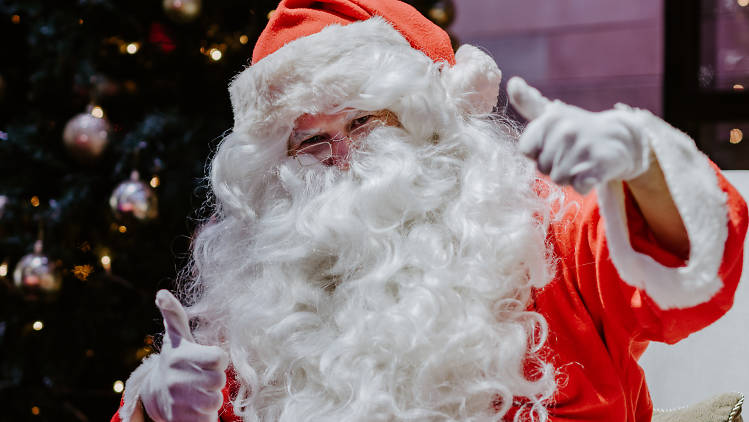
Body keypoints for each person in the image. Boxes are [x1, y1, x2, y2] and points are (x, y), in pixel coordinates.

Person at [112, 0, 748, 421]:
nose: (339, 155)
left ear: (428, 120)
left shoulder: (539, 236)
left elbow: (689, 272)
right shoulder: (265, 305)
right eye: (309, 140)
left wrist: (644, 165)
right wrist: (150, 408)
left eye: (362, 122)